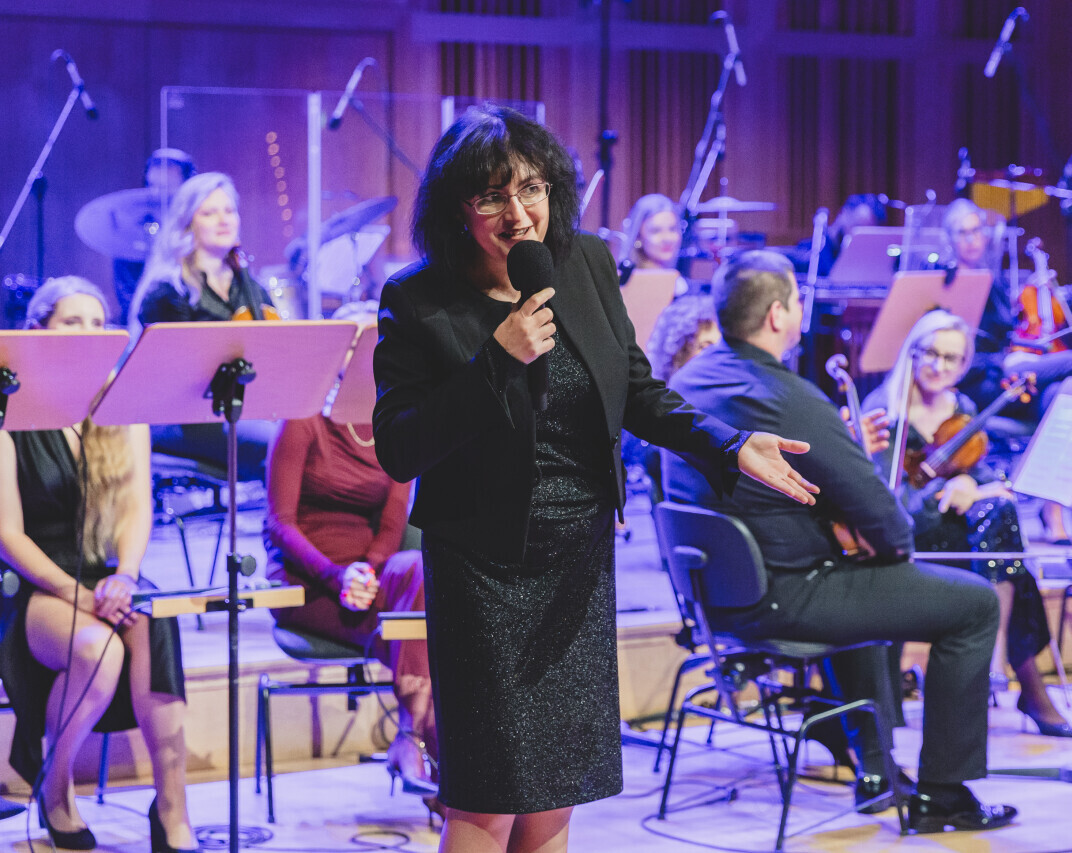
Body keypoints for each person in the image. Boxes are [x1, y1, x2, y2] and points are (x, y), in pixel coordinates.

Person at [371, 106, 817, 853]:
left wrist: (730, 443)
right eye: (493, 196)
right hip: (483, 569)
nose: (519, 213)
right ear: (458, 207)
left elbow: (636, 389)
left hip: (577, 561)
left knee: (555, 796)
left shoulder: (582, 263)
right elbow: (399, 447)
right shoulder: (416, 299)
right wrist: (496, 360)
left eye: (532, 188)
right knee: (487, 799)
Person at [664, 249, 1017, 834]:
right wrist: (877, 528)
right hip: (782, 596)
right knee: (975, 604)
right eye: (798, 301)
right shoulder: (788, 396)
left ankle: (876, 770)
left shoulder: (688, 380)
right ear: (778, 315)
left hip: (713, 597)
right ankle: (944, 797)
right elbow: (890, 526)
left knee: (862, 581)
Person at [0, 277, 197, 852]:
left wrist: (126, 575)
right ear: (37, 331)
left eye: (96, 322)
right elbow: (7, 535)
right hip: (32, 581)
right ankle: (55, 787)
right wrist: (78, 594)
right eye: (71, 322)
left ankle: (173, 809)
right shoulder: (9, 406)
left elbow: (136, 509)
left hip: (106, 573)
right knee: (97, 649)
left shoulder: (120, 402)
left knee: (154, 621)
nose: (87, 333)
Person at [864, 310, 1072, 737]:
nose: (939, 366)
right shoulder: (884, 413)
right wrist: (955, 490)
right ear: (912, 352)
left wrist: (975, 486)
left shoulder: (961, 407)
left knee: (1004, 533)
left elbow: (976, 474)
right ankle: (1026, 687)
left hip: (959, 540)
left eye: (952, 359)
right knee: (1009, 561)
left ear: (964, 364)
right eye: (930, 354)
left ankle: (1001, 669)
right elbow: (892, 505)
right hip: (908, 542)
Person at [263, 301, 437, 801]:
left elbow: (394, 521)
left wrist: (367, 572)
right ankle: (431, 764)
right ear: (340, 357)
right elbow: (280, 525)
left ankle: (414, 742)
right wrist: (338, 576)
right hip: (309, 581)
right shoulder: (304, 419)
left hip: (372, 579)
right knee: (436, 642)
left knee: (423, 574)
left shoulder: (397, 423)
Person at [942, 198, 1072, 542]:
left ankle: (1049, 501)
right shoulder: (947, 285)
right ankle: (1052, 496)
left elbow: (1005, 335)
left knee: (1057, 396)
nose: (972, 239)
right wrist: (1003, 361)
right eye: (963, 233)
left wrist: (1022, 351)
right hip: (977, 385)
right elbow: (954, 357)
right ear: (949, 240)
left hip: (1005, 378)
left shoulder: (989, 280)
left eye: (977, 230)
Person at [128, 171, 277, 480]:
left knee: (308, 434)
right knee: (281, 444)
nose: (223, 220)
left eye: (229, 211)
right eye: (209, 213)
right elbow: (170, 376)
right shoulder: (168, 291)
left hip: (236, 410)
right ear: (187, 224)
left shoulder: (250, 287)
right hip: (181, 416)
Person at [113, 148, 198, 322]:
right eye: (152, 186)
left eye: (166, 188)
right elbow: (129, 298)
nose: (157, 196)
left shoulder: (200, 234)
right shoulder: (133, 238)